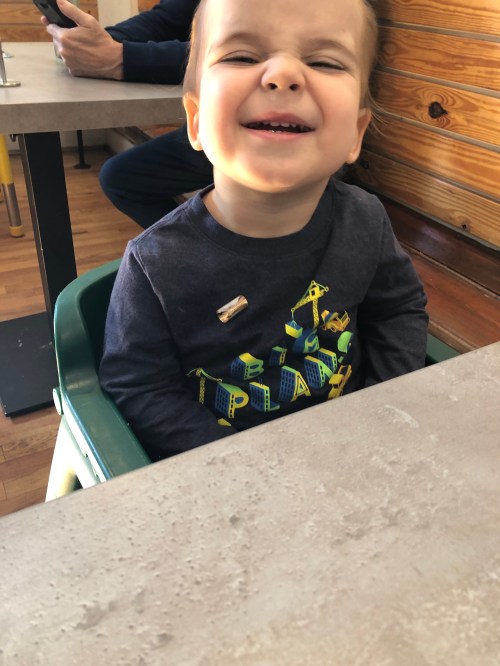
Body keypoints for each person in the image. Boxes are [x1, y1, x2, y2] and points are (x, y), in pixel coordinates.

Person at [99, 0, 429, 461]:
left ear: (356, 134)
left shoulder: (366, 219)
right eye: (242, 56)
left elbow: (398, 310)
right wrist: (246, 469)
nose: (283, 74)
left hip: (359, 453)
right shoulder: (153, 264)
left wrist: (382, 411)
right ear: (195, 120)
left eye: (324, 62)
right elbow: (140, 387)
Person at [43, 0, 212, 228]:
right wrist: (95, 42)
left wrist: (122, 58)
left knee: (122, 178)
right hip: (213, 121)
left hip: (241, 124)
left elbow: (239, 48)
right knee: (119, 177)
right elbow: (166, 19)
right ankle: (201, 247)